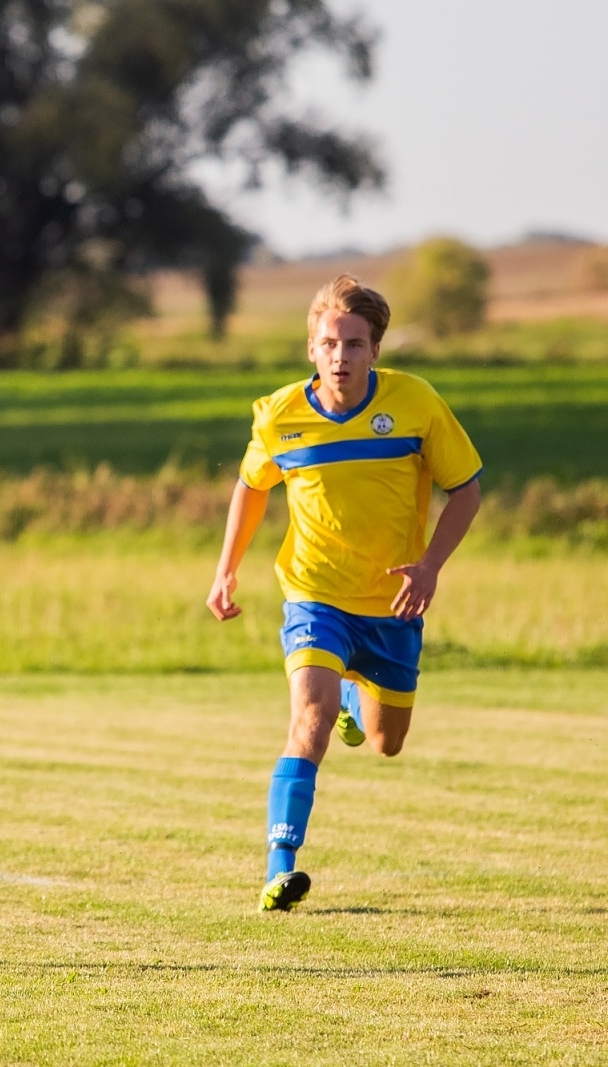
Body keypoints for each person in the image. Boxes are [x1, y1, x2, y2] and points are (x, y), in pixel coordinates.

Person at [205, 274, 482, 912]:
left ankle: (361, 697)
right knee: (310, 716)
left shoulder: (415, 405)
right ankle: (279, 867)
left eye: (355, 345)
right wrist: (226, 570)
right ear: (311, 348)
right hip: (315, 595)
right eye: (329, 343)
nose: (341, 357)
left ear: (375, 351)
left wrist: (432, 565)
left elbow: (465, 488)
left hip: (391, 605)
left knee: (388, 742)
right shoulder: (280, 417)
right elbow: (251, 487)